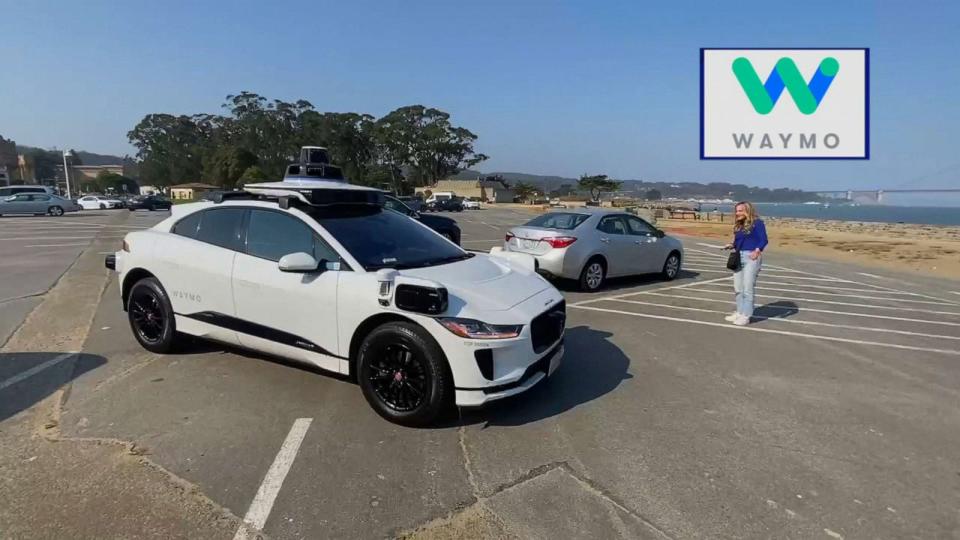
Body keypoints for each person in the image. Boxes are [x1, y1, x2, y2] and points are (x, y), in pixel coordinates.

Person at [724, 201, 767, 326]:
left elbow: (763, 239)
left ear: (748, 211)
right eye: (736, 211)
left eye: (740, 210)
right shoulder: (739, 226)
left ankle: (746, 315)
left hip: (751, 258)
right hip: (739, 257)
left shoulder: (757, 223)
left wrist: (757, 250)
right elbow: (737, 242)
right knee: (738, 287)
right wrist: (731, 245)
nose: (738, 213)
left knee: (747, 288)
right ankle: (739, 311)